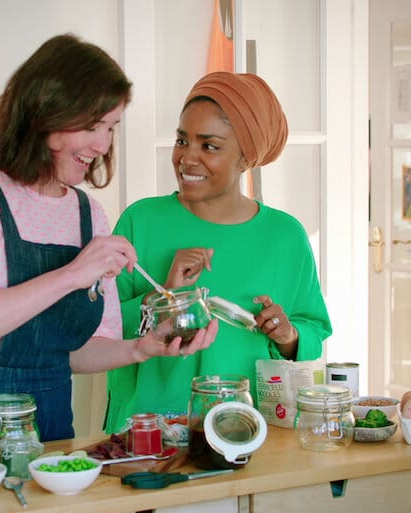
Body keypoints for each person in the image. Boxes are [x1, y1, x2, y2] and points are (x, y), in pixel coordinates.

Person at [0, 34, 219, 513]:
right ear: (44, 111)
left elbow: (77, 352)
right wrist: (73, 273)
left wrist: (140, 347)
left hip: (48, 425)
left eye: (111, 127)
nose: (102, 145)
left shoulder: (90, 214)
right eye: (92, 125)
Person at [105, 71, 332, 436]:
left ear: (246, 158)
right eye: (183, 140)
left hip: (248, 430)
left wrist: (287, 334)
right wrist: (163, 295)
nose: (187, 158)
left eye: (208, 146)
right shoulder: (140, 222)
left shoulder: (285, 236)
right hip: (149, 431)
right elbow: (101, 327)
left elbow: (314, 331)